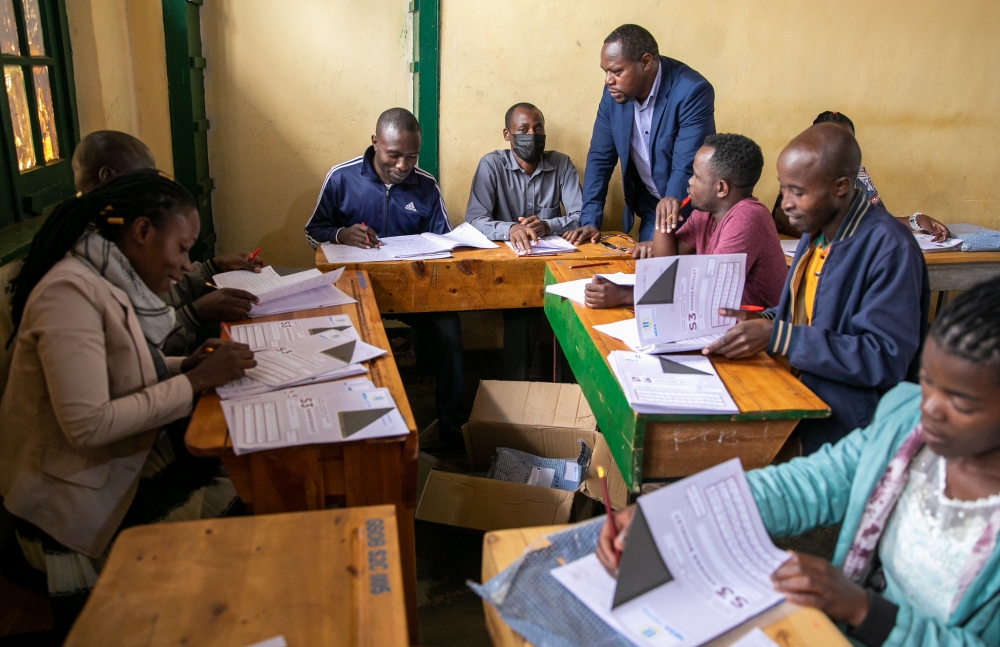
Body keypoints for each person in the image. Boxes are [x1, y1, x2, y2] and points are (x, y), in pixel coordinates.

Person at [597, 277, 1000, 646]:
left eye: (960, 402)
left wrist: (866, 612)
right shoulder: (905, 423)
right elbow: (808, 484)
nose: (930, 407)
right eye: (927, 381)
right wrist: (678, 511)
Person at [0, 170, 257, 637]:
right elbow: (88, 423)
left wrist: (183, 366)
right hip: (65, 501)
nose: (186, 265)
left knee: (240, 491)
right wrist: (196, 381)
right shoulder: (68, 294)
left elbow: (118, 371)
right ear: (141, 232)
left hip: (98, 469)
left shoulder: (104, 279)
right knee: (233, 521)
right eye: (181, 248)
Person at [704, 124, 929, 454]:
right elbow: (807, 317)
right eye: (783, 189)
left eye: (798, 192)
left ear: (840, 187)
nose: (786, 203)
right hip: (796, 397)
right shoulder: (817, 232)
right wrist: (759, 320)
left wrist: (778, 337)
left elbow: (885, 357)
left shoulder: (889, 247)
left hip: (849, 430)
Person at [304, 108, 465, 440]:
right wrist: (339, 234)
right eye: (394, 155)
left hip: (414, 292)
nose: (403, 166)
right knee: (341, 331)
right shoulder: (341, 177)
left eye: (411, 156)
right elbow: (312, 230)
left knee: (448, 328)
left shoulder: (425, 186)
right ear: (376, 143)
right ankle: (354, 425)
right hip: (356, 290)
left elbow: (444, 243)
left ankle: (452, 425)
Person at [71, 130, 267, 355]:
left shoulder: (121, 227)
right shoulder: (92, 252)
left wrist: (211, 268)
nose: (150, 188)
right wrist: (193, 316)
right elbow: (127, 353)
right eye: (143, 176)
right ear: (106, 175)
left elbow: (164, 294)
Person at [584, 133, 787, 310]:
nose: (689, 181)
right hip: (720, 324)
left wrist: (626, 294)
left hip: (758, 338)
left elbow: (708, 291)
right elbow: (667, 267)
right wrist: (663, 220)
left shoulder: (748, 218)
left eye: (697, 176)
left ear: (721, 188)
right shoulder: (706, 213)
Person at [564, 23, 715, 252]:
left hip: (688, 211)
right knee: (646, 276)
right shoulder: (614, 94)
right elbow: (600, 158)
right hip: (652, 207)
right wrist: (590, 221)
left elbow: (686, 166)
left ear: (645, 62)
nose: (608, 80)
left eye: (616, 71)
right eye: (605, 71)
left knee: (674, 279)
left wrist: (664, 237)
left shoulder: (691, 91)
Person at [465, 102, 583, 379]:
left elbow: (583, 215)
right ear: (508, 135)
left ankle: (572, 396)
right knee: (523, 317)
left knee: (575, 312)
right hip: (512, 270)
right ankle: (518, 394)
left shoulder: (561, 164)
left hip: (558, 266)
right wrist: (509, 229)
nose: (532, 134)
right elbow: (473, 221)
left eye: (538, 128)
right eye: (524, 129)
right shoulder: (491, 165)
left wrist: (548, 225)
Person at [773, 112, 949, 241]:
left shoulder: (858, 174)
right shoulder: (800, 172)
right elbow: (782, 220)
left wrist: (916, 220)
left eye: (847, 141)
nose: (840, 149)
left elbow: (878, 218)